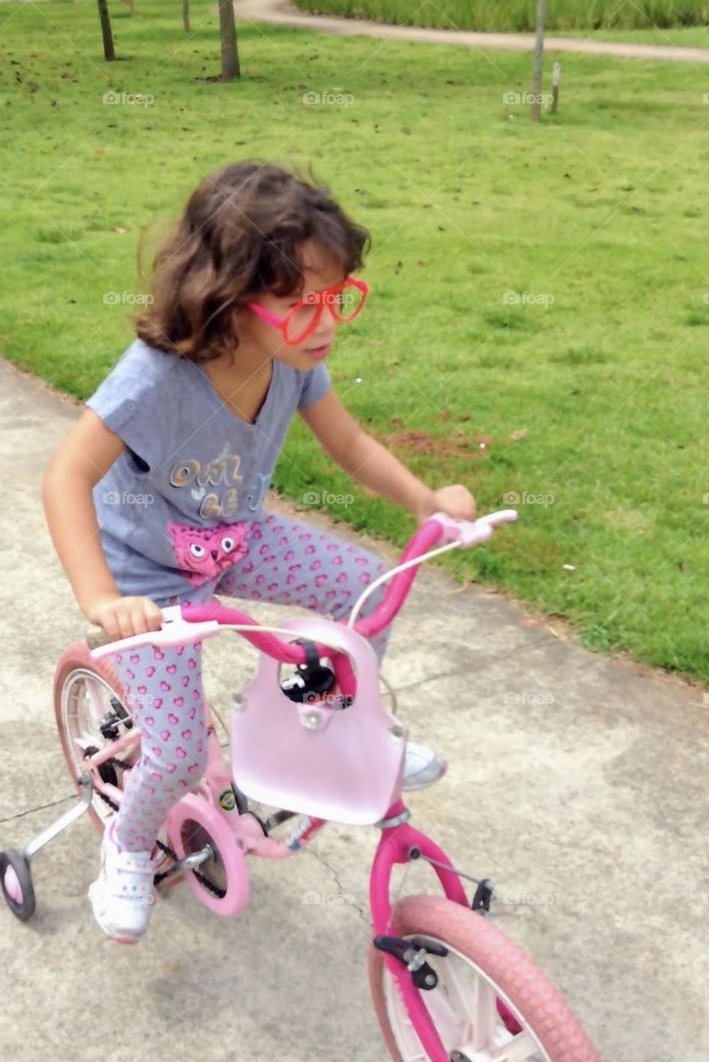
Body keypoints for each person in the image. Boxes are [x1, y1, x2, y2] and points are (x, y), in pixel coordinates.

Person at [42, 160, 476, 943]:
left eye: (336, 298)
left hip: (235, 540)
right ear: (226, 295)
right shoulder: (155, 380)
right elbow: (66, 477)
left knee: (368, 591)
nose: (328, 322)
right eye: (302, 303)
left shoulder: (292, 363)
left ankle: (334, 726)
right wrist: (103, 600)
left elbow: (351, 446)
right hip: (149, 581)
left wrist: (425, 500)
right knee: (173, 756)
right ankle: (128, 843)